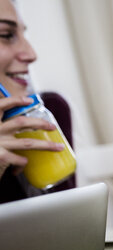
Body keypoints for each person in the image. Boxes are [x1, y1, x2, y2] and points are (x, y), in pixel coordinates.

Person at [0, 0, 69, 203]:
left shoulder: (49, 110)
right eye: (6, 35)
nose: (32, 54)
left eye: (23, 34)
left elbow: (66, 222)